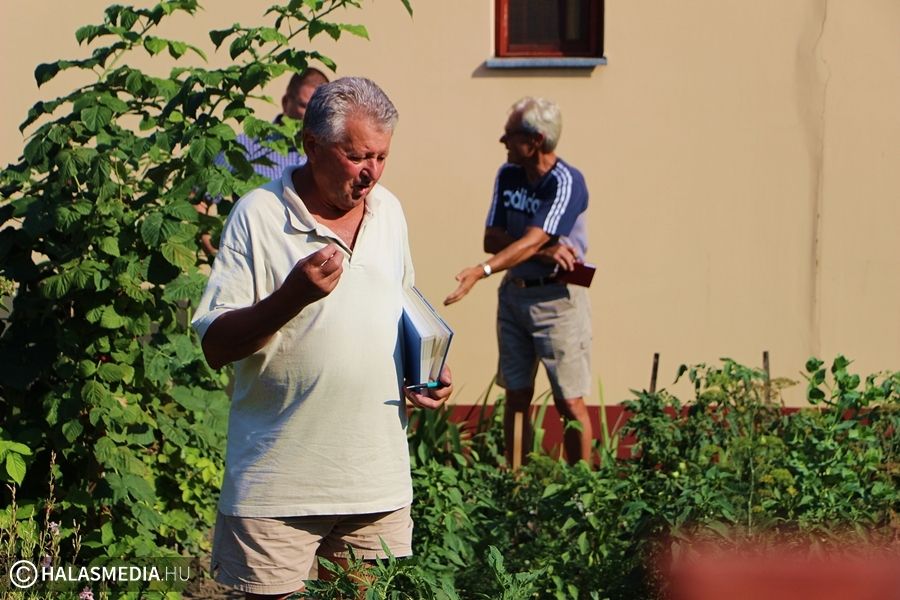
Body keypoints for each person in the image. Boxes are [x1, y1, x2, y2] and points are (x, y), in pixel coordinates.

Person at [192, 76, 452, 599]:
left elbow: (399, 307)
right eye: (357, 157)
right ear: (312, 146)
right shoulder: (259, 215)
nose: (371, 172)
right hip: (277, 487)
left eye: (381, 157)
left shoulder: (389, 212)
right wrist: (292, 297)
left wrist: (423, 370)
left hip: (374, 484)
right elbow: (216, 346)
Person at [444, 96, 593, 467]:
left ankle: (582, 489)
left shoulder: (566, 182)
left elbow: (532, 239)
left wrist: (482, 271)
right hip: (514, 295)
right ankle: (515, 483)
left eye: (510, 134)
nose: (503, 141)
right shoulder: (508, 174)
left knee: (569, 401)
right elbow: (492, 238)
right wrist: (542, 250)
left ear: (536, 140)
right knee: (516, 395)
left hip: (557, 301)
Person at [197, 68, 330, 255]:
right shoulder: (245, 147)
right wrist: (214, 251)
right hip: (255, 258)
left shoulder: (330, 154)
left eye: (319, 110)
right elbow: (199, 200)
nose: (310, 117)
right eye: (303, 106)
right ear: (286, 103)